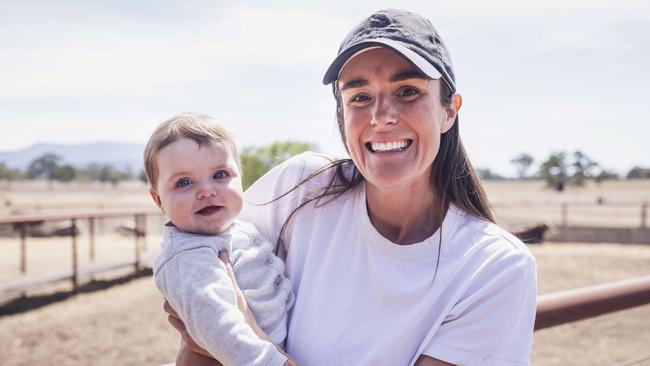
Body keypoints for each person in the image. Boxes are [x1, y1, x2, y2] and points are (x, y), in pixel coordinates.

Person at [166, 9, 537, 366]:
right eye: (359, 97)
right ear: (342, 117)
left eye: (407, 91)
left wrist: (249, 340)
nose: (381, 117)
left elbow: (222, 337)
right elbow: (195, 314)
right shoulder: (299, 188)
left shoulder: (494, 267)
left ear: (449, 110)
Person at [145, 113, 296, 366]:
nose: (206, 190)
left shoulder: (239, 230)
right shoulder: (189, 256)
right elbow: (221, 328)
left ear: (241, 178)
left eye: (220, 175)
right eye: (184, 182)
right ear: (159, 200)